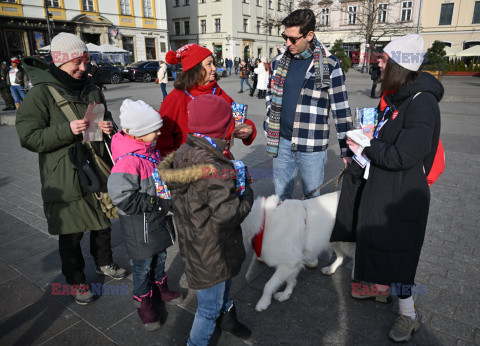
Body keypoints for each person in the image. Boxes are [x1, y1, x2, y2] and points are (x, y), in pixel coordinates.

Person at [331, 34, 443, 342]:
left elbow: (403, 155)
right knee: (379, 244)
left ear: (399, 66)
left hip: (402, 195)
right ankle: (379, 288)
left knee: (400, 256)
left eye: (384, 58)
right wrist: (364, 144)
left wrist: (368, 146)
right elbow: (389, 142)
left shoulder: (422, 103)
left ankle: (408, 315)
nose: (378, 61)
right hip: (385, 187)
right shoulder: (400, 97)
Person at [15, 32, 126, 305]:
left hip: (96, 169)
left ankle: (104, 263)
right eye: (77, 62)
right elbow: (28, 136)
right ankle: (76, 281)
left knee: (103, 223)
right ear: (59, 61)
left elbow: (106, 120)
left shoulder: (91, 88)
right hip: (65, 177)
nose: (83, 68)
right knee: (71, 233)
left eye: (85, 61)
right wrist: (66, 130)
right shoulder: (41, 93)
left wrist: (109, 128)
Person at [158, 94, 253, 346]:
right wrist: (247, 195)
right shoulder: (216, 167)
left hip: (196, 243)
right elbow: (227, 215)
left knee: (218, 295)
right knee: (208, 310)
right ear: (223, 128)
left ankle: (227, 316)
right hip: (213, 250)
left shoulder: (184, 152)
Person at [108, 99, 183, 331]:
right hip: (139, 224)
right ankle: (142, 298)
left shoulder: (151, 150)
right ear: (137, 133)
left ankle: (159, 287)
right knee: (142, 264)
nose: (159, 132)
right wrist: (155, 201)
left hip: (156, 218)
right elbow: (122, 196)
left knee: (160, 256)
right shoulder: (128, 161)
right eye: (154, 129)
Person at [265, 9, 353, 201]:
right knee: (281, 198)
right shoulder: (277, 62)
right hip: (282, 144)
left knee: (313, 201)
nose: (287, 43)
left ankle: (310, 232)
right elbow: (270, 97)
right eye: (285, 37)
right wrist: (269, 127)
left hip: (312, 145)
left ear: (310, 35)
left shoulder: (330, 64)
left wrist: (347, 151)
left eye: (293, 39)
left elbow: (341, 109)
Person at [157, 44, 257, 157]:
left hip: (220, 163)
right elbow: (162, 138)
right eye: (209, 64)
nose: (214, 68)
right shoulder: (176, 98)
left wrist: (249, 129)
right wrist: (174, 164)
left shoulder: (218, 92)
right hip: (189, 167)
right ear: (195, 69)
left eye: (213, 63)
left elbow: (237, 118)